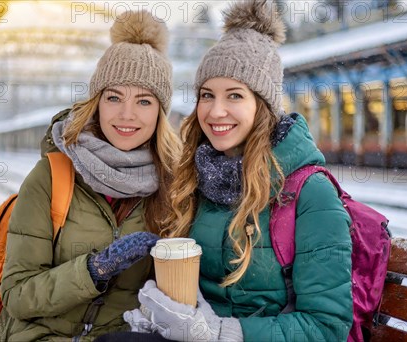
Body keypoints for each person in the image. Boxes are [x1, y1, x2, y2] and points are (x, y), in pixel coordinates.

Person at [123, 1, 353, 341]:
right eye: (206, 95)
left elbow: (327, 326)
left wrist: (220, 332)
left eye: (234, 95)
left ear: (262, 106)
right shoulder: (196, 178)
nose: (216, 112)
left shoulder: (311, 193)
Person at [0, 10, 179, 341]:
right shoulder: (53, 175)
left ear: (160, 112)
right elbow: (17, 295)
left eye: (144, 101)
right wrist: (94, 270)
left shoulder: (172, 185)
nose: (127, 114)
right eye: (114, 97)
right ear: (97, 102)